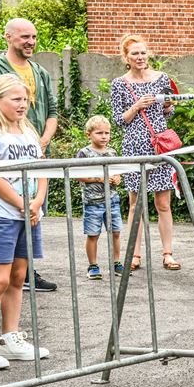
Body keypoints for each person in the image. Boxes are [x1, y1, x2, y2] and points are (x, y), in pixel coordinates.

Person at [0, 74, 50, 370]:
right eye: (16, 99)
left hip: (30, 215)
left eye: (25, 99)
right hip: (2, 216)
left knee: (18, 277)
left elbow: (42, 169)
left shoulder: (28, 132)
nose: (22, 104)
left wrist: (37, 202)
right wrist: (21, 204)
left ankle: (10, 337)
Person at [0, 18, 59, 292]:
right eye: (25, 36)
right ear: (8, 37)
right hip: (7, 153)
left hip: (34, 150)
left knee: (34, 211)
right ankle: (8, 272)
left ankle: (25, 273)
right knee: (12, 209)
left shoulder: (40, 72)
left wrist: (42, 140)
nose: (31, 42)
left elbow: (52, 111)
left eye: (34, 37)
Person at [110, 33, 181, 271]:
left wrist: (168, 106)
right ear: (126, 57)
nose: (140, 57)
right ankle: (135, 254)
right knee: (135, 204)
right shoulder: (120, 84)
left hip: (159, 144)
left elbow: (168, 113)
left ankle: (168, 253)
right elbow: (118, 120)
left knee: (163, 203)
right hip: (134, 146)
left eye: (143, 52)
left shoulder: (162, 78)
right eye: (135, 54)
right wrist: (136, 106)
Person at [75, 115, 124, 280]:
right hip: (92, 202)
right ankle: (93, 265)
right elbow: (77, 175)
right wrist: (98, 178)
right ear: (88, 134)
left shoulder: (112, 152)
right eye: (99, 133)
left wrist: (117, 178)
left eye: (107, 133)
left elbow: (117, 171)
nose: (104, 136)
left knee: (116, 232)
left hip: (112, 199)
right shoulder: (84, 153)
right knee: (93, 234)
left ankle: (117, 263)